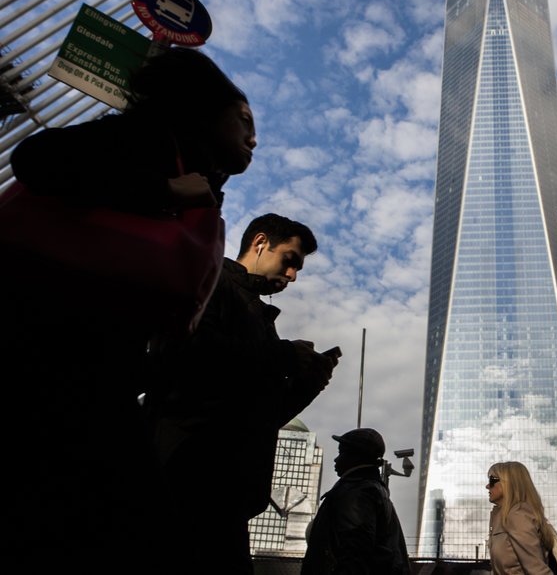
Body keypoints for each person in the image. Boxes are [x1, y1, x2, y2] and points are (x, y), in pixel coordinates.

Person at [3, 47, 255, 572]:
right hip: (41, 363)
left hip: (81, 373)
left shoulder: (186, 170)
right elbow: (35, 158)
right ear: (206, 109)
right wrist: (163, 188)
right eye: (244, 119)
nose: (254, 137)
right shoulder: (148, 143)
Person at [146, 213, 339, 574]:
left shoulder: (255, 313)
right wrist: (283, 355)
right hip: (190, 478)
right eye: (290, 261)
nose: (293, 276)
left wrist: (306, 385)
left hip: (223, 492)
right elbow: (181, 353)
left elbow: (258, 416)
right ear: (260, 242)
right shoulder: (211, 279)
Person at [302, 428, 412, 575]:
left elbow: (355, 553)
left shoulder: (357, 493)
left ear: (355, 456)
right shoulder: (372, 490)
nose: (336, 459)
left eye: (341, 453)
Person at [486, 461, 554, 575]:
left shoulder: (518, 516)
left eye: (492, 481)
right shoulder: (502, 516)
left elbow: (537, 570)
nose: (487, 486)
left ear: (509, 484)